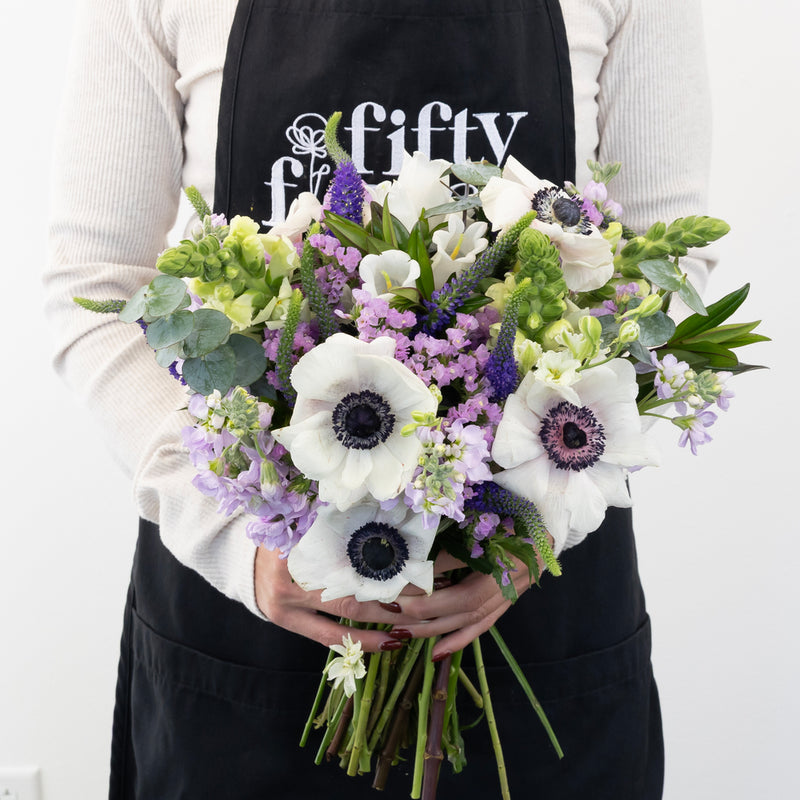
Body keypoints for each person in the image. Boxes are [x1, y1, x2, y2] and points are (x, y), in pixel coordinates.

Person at [45, 0, 712, 797]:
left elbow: (664, 275)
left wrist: (531, 529)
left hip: (531, 614)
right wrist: (236, 542)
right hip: (251, 615)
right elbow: (96, 287)